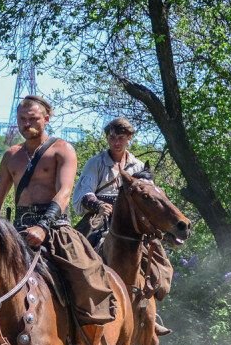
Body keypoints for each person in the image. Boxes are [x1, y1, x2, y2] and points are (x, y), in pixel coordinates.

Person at [0, 96, 116, 345]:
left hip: (56, 229)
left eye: (33, 118)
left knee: (90, 279)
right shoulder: (11, 155)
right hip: (17, 232)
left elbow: (64, 193)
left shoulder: (62, 150)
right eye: (22, 119)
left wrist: (44, 226)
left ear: (47, 117)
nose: (27, 124)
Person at [73, 117, 174, 325]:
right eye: (112, 137)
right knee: (78, 257)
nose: (116, 142)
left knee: (157, 260)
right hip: (99, 218)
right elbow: (82, 193)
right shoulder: (97, 163)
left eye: (120, 138)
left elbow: (149, 199)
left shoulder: (137, 165)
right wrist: (98, 205)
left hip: (133, 222)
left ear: (129, 138)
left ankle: (149, 313)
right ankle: (78, 309)